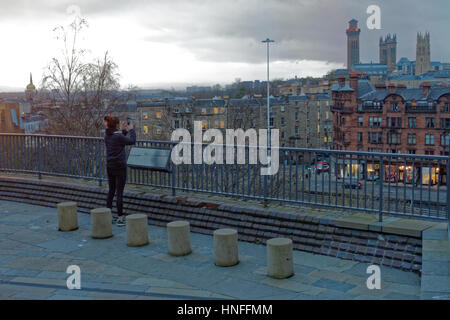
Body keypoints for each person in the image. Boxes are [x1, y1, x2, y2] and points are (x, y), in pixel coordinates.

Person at [103, 115, 136, 226]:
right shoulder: (118, 136)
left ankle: (107, 216)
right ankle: (120, 218)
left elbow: (119, 138)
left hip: (110, 166)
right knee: (119, 192)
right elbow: (132, 141)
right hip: (120, 166)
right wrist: (131, 130)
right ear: (116, 125)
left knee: (111, 191)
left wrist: (123, 131)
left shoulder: (107, 135)